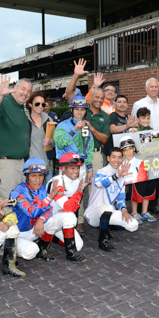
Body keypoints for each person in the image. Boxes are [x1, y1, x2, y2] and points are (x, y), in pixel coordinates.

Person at [10, 158, 81, 263]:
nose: (38, 180)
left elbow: (49, 210)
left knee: (54, 221)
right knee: (31, 252)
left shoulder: (43, 188)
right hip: (20, 233)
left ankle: (42, 250)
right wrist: (50, 197)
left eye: (41, 175)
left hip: (35, 229)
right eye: (33, 176)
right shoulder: (17, 191)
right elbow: (31, 212)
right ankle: (9, 249)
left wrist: (41, 220)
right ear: (26, 176)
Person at [0, 76, 32, 199]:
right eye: (23, 89)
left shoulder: (20, 107)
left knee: (18, 204)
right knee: (7, 204)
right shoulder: (5, 102)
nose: (25, 93)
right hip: (5, 165)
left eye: (29, 91)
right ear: (15, 88)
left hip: (19, 164)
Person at [131, 78, 159, 214]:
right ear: (146, 88)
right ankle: (138, 207)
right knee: (142, 177)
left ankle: (152, 205)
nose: (154, 89)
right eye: (151, 87)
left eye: (156, 86)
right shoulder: (138, 104)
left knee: (157, 177)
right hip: (143, 147)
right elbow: (133, 123)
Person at [54, 92, 95, 234]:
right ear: (71, 110)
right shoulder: (62, 125)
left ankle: (77, 224)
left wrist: (90, 168)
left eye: (82, 109)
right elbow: (59, 143)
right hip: (67, 167)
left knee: (78, 196)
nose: (80, 112)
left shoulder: (87, 126)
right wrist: (74, 130)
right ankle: (62, 226)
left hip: (82, 167)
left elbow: (89, 149)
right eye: (77, 109)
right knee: (65, 195)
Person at [85, 147, 139, 252]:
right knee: (109, 207)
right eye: (113, 157)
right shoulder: (101, 172)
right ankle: (102, 241)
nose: (116, 160)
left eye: (119, 157)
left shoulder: (122, 177)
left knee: (133, 225)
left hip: (108, 212)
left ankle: (105, 227)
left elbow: (121, 199)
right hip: (93, 214)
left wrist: (124, 209)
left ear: (122, 159)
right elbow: (99, 183)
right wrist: (117, 175)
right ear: (108, 158)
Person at [46, 153, 87, 263]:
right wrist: (77, 194)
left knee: (79, 245)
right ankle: (70, 254)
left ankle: (52, 238)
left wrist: (69, 208)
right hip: (47, 220)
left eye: (78, 168)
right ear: (63, 169)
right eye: (72, 168)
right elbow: (69, 208)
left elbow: (73, 208)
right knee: (69, 216)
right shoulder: (57, 181)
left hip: (61, 221)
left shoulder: (78, 181)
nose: (76, 171)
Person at [126, 109, 158, 224]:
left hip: (149, 166)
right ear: (138, 119)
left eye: (148, 118)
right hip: (137, 168)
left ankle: (144, 212)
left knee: (148, 190)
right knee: (136, 190)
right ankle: (134, 212)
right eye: (143, 118)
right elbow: (126, 141)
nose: (146, 120)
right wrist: (131, 132)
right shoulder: (134, 130)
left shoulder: (152, 131)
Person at [26, 91, 55, 183]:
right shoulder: (23, 120)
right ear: (30, 104)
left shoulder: (48, 120)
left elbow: (55, 141)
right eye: (37, 103)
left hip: (47, 164)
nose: (40, 106)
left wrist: (50, 142)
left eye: (43, 104)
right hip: (30, 165)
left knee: (47, 194)